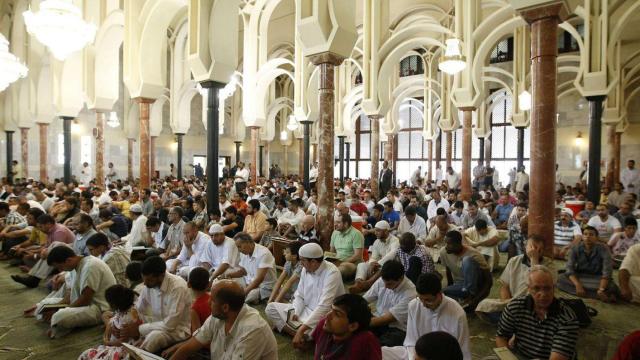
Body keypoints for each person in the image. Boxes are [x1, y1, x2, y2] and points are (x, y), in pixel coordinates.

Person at [168, 280, 277, 360]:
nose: (208, 302)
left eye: (212, 300)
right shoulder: (218, 317)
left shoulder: (253, 330)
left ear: (225, 307)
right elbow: (190, 346)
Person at [265, 243, 345, 347]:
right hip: (304, 311)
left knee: (327, 328)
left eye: (302, 260)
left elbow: (325, 306)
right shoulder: (305, 269)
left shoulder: (332, 272)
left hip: (324, 315)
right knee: (270, 308)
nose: (300, 263)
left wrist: (302, 329)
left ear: (313, 261)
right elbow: (299, 295)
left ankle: (300, 333)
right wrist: (296, 312)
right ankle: (303, 337)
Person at [381, 272, 471, 360]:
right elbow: (411, 341)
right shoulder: (414, 305)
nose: (423, 304)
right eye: (420, 299)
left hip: (442, 357)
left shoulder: (457, 313)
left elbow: (463, 350)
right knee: (383, 352)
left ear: (439, 294)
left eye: (428, 300)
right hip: (417, 354)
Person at [496, 265, 579, 360]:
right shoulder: (515, 307)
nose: (543, 294)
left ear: (553, 288)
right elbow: (501, 336)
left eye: (547, 288)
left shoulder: (567, 318)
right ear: (528, 289)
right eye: (536, 288)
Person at [476, 235, 555, 324]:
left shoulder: (549, 264)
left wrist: (534, 260)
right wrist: (508, 305)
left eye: (539, 250)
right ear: (525, 247)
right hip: (513, 302)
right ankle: (517, 322)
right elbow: (505, 286)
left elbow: (539, 284)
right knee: (483, 305)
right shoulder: (514, 261)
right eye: (533, 247)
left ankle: (515, 322)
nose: (535, 251)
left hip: (535, 304)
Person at [119, 256, 191, 353]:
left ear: (161, 276)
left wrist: (139, 329)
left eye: (149, 280)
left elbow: (170, 325)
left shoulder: (178, 287)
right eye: (144, 279)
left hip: (177, 330)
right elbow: (138, 308)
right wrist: (126, 325)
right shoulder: (148, 285)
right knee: (124, 320)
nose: (145, 283)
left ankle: (138, 354)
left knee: (154, 336)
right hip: (156, 323)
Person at [45, 246, 117, 338]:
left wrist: (61, 311)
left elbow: (85, 299)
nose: (60, 270)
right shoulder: (74, 267)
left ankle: (57, 324)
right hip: (84, 304)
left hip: (99, 309)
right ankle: (57, 321)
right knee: (45, 304)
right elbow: (71, 294)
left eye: (60, 267)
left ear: (68, 260)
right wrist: (56, 307)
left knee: (58, 317)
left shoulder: (90, 266)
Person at [11, 214, 75, 288]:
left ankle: (33, 279)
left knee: (50, 252)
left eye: (41, 227)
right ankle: (32, 278)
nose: (40, 229)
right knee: (44, 253)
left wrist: (40, 254)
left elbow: (58, 250)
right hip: (60, 254)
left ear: (48, 224)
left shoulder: (59, 231)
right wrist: (43, 252)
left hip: (69, 255)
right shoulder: (50, 231)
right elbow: (47, 246)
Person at [558, 226, 620, 302]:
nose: (587, 237)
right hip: (581, 276)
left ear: (596, 238)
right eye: (585, 234)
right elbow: (569, 268)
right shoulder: (576, 248)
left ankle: (598, 293)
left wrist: (601, 289)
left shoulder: (604, 249)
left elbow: (607, 273)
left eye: (591, 234)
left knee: (611, 285)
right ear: (582, 237)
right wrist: (577, 285)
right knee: (561, 278)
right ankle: (599, 295)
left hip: (598, 278)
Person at [311, 294, 382, 359]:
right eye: (331, 309)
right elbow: (314, 346)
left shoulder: (365, 342)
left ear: (353, 326)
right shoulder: (324, 325)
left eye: (337, 314)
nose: (327, 316)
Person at [362, 260, 417, 346]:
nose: (385, 286)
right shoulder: (383, 280)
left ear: (401, 278)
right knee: (356, 335)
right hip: (377, 319)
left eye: (389, 284)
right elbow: (364, 300)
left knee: (381, 347)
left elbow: (387, 319)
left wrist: (359, 322)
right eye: (384, 282)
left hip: (398, 328)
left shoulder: (411, 293)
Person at [440, 230, 492, 310]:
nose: (446, 246)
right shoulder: (444, 252)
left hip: (476, 288)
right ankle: (463, 301)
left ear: (458, 244)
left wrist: (476, 299)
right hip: (460, 286)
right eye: (445, 243)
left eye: (449, 244)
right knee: (440, 293)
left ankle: (470, 297)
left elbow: (489, 281)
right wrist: (450, 288)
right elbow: (448, 270)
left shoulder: (474, 254)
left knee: (467, 260)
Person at [224, 232, 277, 304]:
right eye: (237, 247)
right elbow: (243, 272)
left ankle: (257, 297)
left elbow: (259, 279)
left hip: (263, 287)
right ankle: (254, 297)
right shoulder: (244, 253)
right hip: (249, 282)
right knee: (228, 281)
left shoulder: (264, 253)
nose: (239, 250)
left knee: (247, 297)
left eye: (240, 246)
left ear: (248, 242)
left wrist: (244, 292)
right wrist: (229, 275)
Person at [351, 220, 399, 293]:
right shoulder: (377, 241)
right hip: (378, 265)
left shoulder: (395, 240)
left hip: (390, 266)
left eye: (378, 231)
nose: (375, 233)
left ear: (386, 231)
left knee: (385, 267)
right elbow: (374, 257)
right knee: (362, 265)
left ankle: (368, 283)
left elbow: (392, 254)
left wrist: (378, 263)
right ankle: (358, 283)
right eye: (375, 230)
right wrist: (372, 263)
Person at [329, 214, 364, 280]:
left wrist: (341, 262)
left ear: (346, 224)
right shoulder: (335, 233)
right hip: (338, 261)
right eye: (335, 222)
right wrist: (330, 260)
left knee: (338, 271)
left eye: (338, 222)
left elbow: (357, 256)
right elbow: (332, 251)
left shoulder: (356, 234)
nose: (335, 224)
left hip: (352, 263)